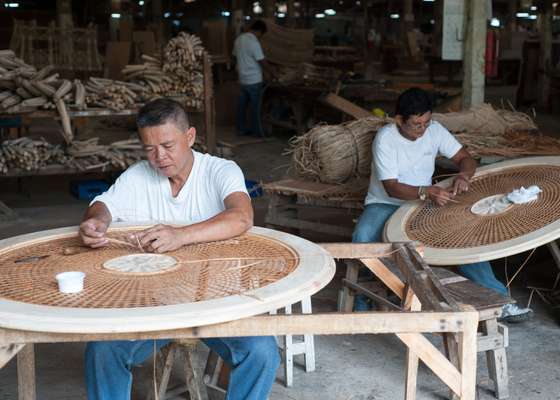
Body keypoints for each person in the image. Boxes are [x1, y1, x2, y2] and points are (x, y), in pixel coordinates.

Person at [79, 98, 280, 400]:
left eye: (168, 145)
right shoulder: (138, 176)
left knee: (262, 352)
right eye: (149, 148)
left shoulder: (220, 171)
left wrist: (182, 235)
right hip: (149, 304)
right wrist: (97, 221)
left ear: (190, 137)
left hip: (214, 301)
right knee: (102, 351)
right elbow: (102, 204)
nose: (159, 157)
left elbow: (242, 216)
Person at [352, 88, 532, 323]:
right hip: (386, 203)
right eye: (417, 124)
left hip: (423, 206)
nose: (423, 129)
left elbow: (464, 158)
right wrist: (425, 192)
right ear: (399, 120)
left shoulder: (434, 131)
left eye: (426, 122)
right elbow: (391, 187)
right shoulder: (385, 138)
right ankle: (364, 297)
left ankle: (501, 301)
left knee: (461, 238)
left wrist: (464, 176)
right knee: (362, 237)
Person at [232, 20, 274, 137]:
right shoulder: (253, 42)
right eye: (262, 34)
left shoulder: (239, 39)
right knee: (256, 108)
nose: (261, 37)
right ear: (259, 31)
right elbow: (261, 60)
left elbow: (235, 56)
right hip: (254, 80)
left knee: (242, 107)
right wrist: (273, 73)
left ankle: (241, 129)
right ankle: (257, 132)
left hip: (242, 79)